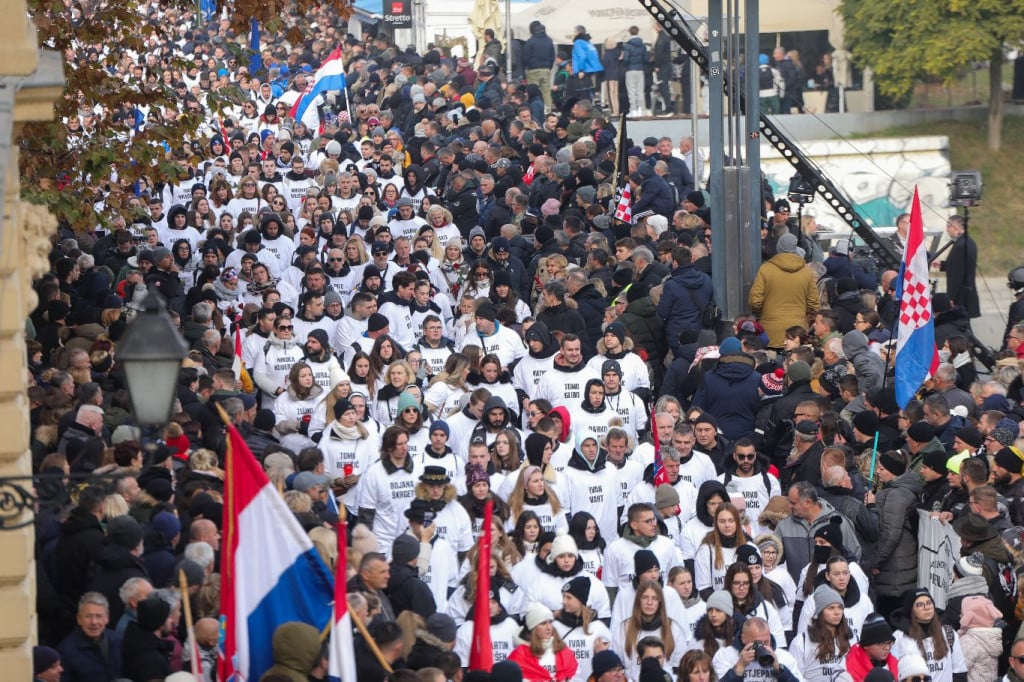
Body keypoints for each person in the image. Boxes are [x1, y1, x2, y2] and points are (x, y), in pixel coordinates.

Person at [749, 233, 820, 348]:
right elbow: (814, 304)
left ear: (778, 248)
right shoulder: (807, 272)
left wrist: (762, 314)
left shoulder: (766, 269)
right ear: (795, 249)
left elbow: (755, 301)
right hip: (797, 332)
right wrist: (806, 321)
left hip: (770, 331)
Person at [892, 588, 968, 682]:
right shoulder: (900, 636)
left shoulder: (948, 632)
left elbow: (959, 671)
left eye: (929, 603)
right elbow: (893, 672)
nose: (927, 607)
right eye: (920, 605)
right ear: (911, 609)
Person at [790, 585, 854, 682]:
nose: (837, 612)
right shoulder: (801, 642)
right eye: (831, 608)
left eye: (840, 607)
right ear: (820, 612)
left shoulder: (851, 638)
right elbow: (794, 676)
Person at [57, 592, 124, 682]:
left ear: (107, 618)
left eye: (99, 616)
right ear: (79, 619)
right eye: (88, 616)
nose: (94, 622)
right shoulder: (66, 651)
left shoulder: (119, 640)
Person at [710, 616, 801, 681]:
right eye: (757, 643)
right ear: (743, 639)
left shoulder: (783, 657)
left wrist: (780, 670)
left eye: (766, 642)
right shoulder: (726, 655)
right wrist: (739, 667)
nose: (762, 647)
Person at [508, 603, 579, 682]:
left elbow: (575, 675)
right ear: (533, 627)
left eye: (550, 622)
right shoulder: (519, 655)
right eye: (543, 623)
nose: (549, 627)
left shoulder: (563, 651)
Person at [939, 215, 980, 318]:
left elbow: (958, 274)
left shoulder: (961, 245)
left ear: (955, 227)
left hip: (960, 296)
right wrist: (942, 265)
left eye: (948, 227)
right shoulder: (967, 241)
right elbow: (958, 265)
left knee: (960, 327)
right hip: (964, 293)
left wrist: (951, 298)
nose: (947, 230)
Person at [846, 613, 899, 680]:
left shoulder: (896, 664)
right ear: (866, 645)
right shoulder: (849, 669)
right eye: (881, 644)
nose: (887, 648)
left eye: (889, 643)